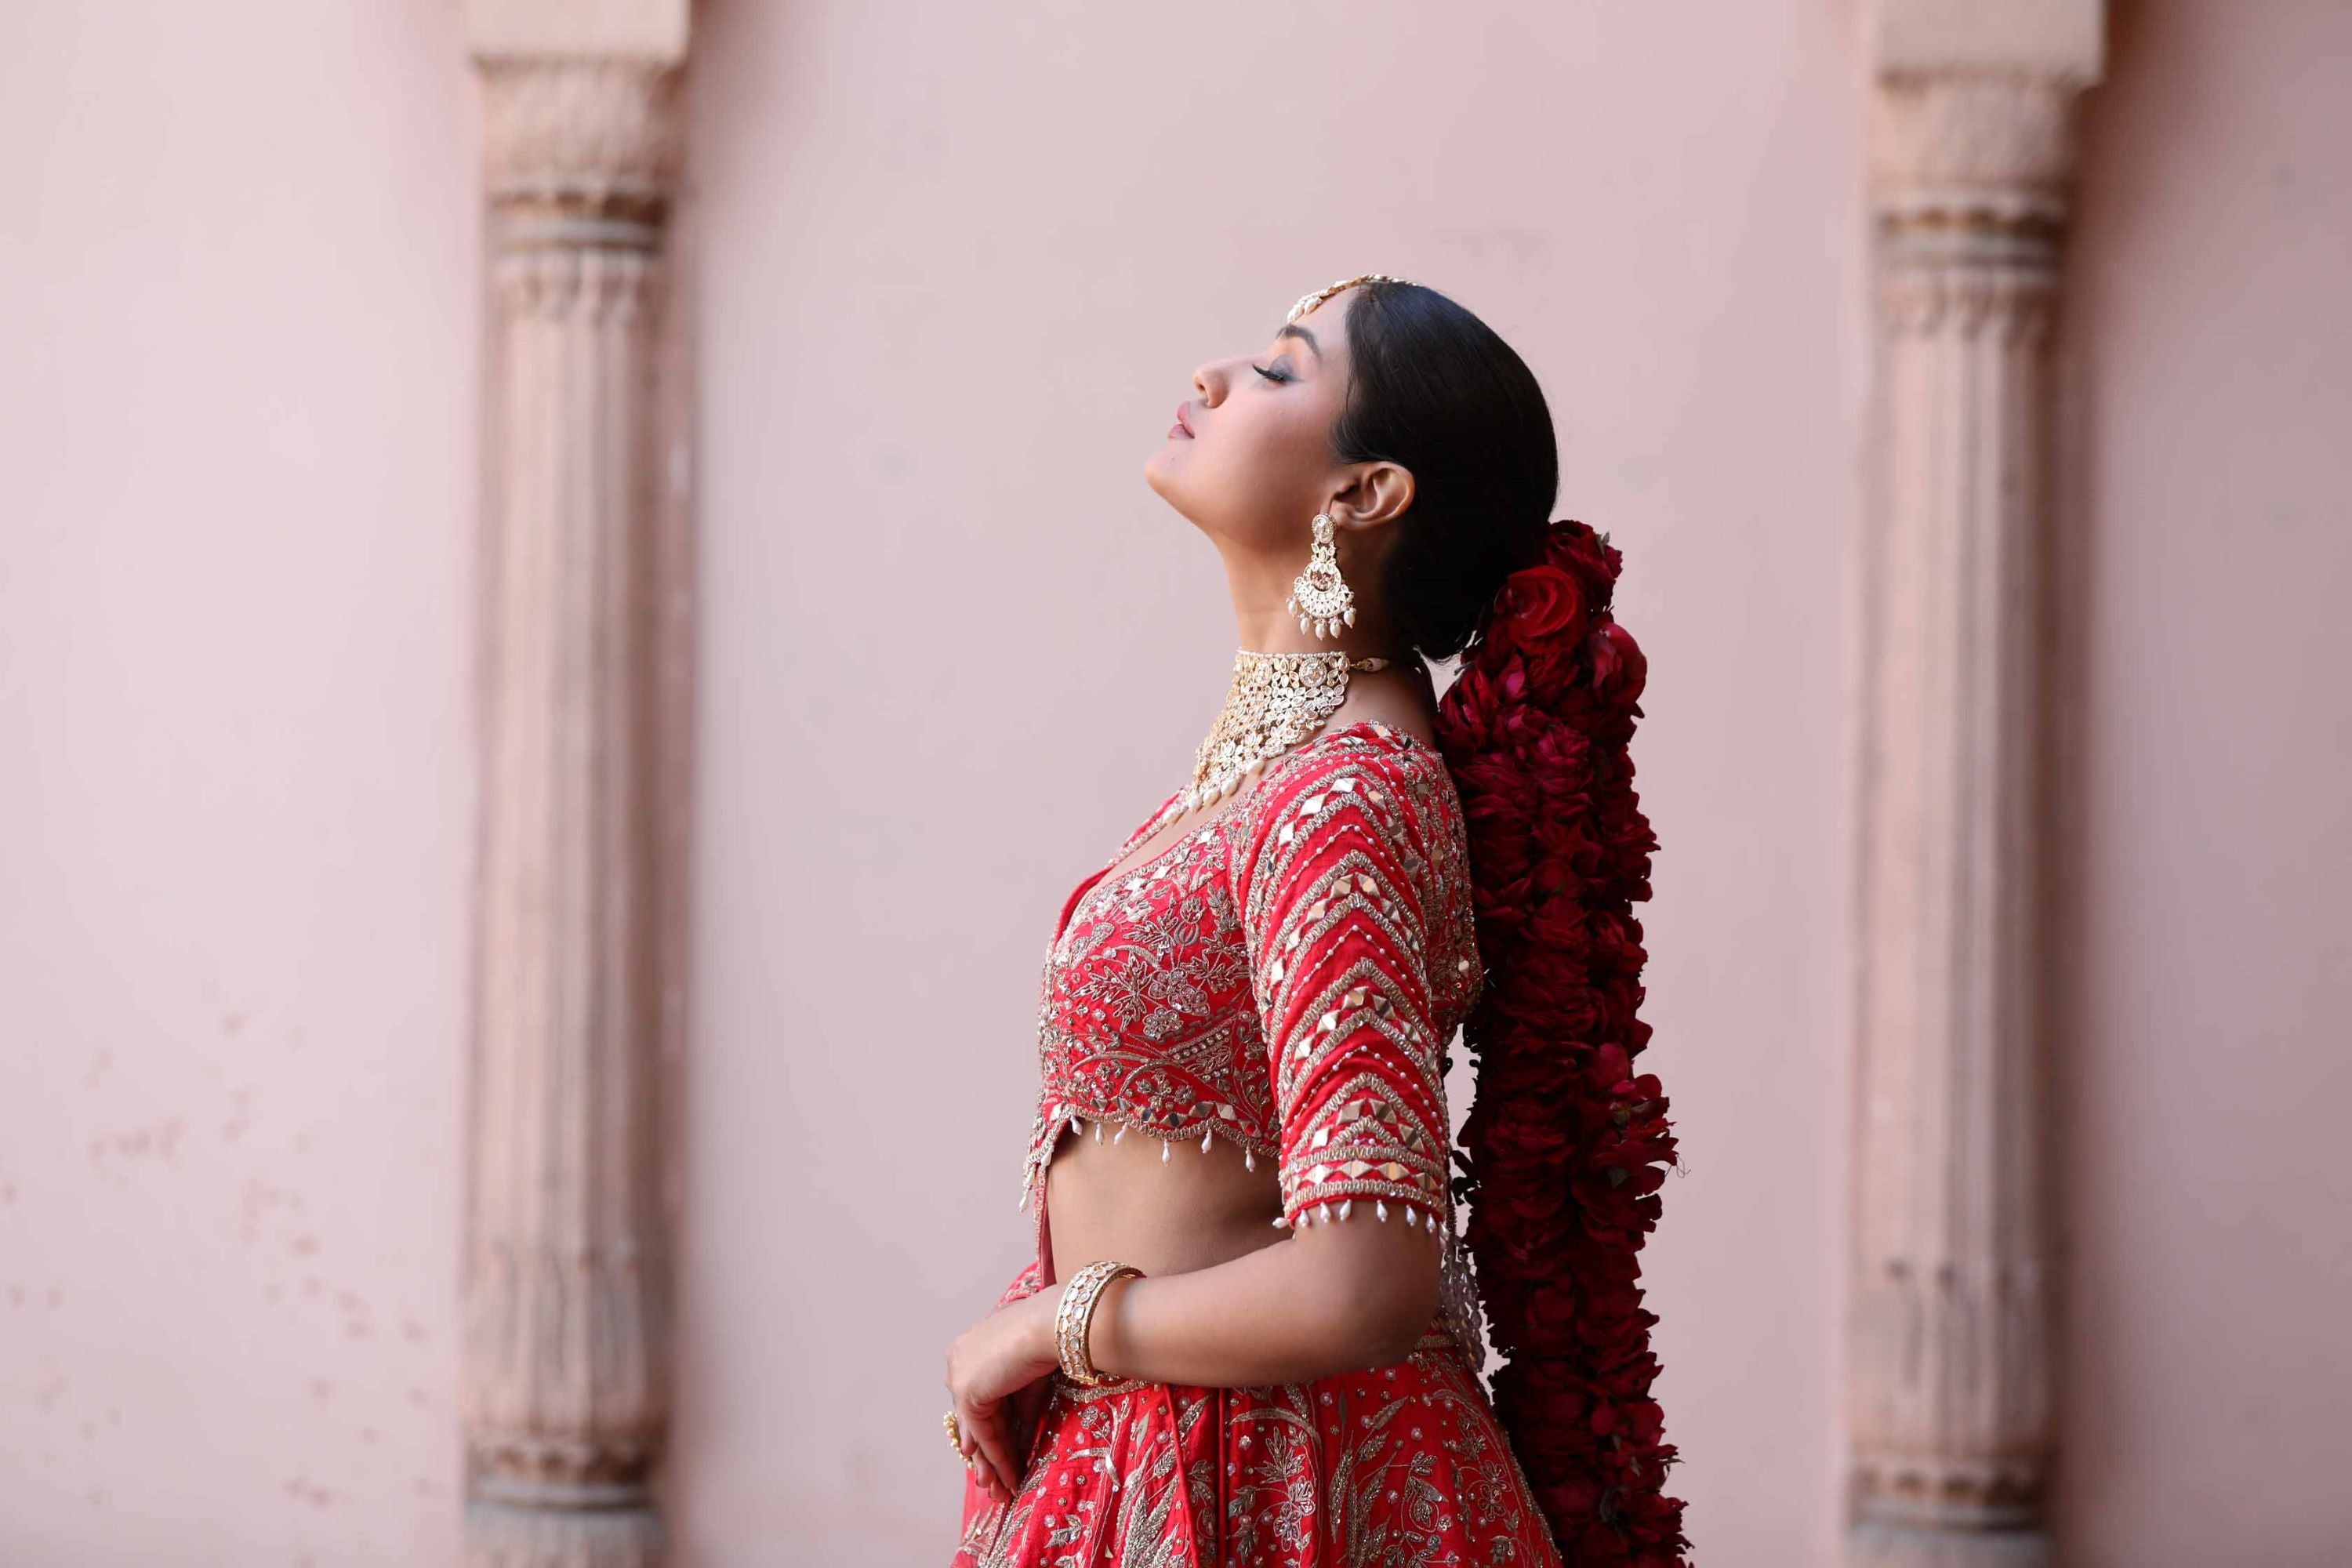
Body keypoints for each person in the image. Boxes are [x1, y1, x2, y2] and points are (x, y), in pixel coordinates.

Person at [943, 274, 1690, 1566]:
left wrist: (1057, 1324)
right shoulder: (1288, 771)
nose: (1216, 374)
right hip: (1168, 1461)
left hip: (1273, 1488)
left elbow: (1364, 1280)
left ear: (1363, 493)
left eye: (1283, 371)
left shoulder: (1348, 792)